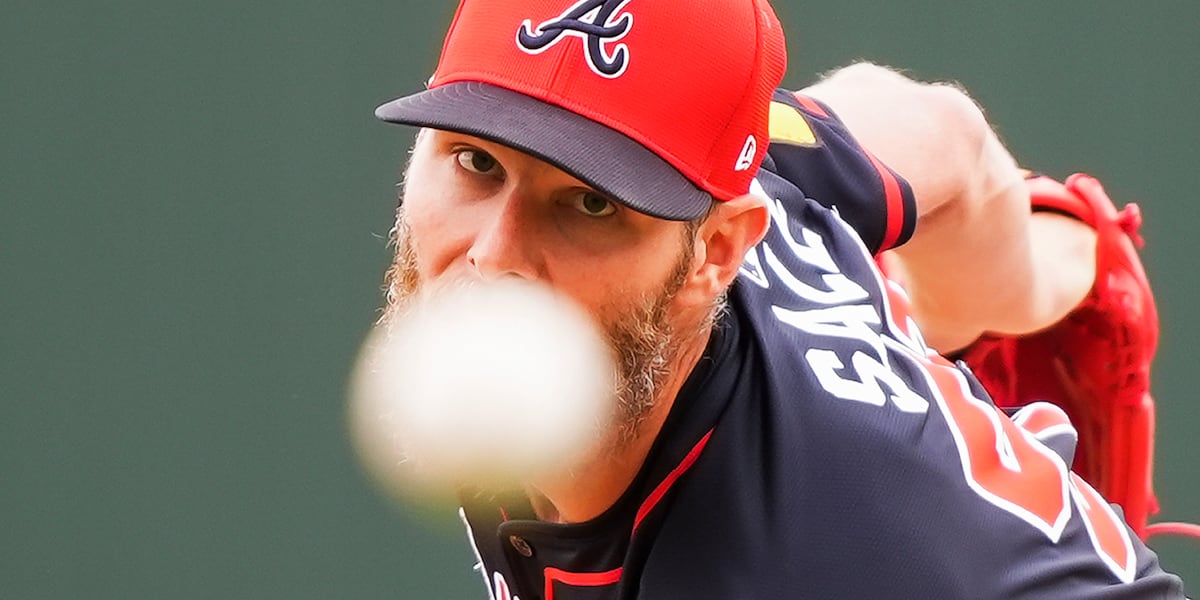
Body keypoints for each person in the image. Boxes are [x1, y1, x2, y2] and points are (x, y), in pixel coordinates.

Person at [371, 0, 1186, 597]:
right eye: (475, 160)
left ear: (720, 251)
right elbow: (948, 138)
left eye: (589, 205)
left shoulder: (785, 568)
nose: (491, 256)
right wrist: (1043, 292)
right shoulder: (719, 177)